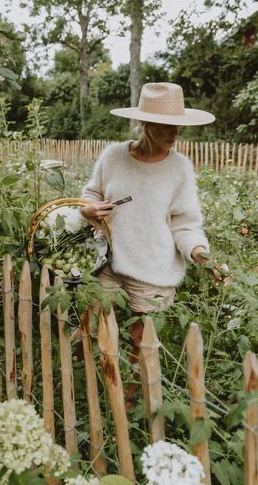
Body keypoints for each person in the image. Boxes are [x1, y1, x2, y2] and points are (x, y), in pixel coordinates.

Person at [80, 82, 228, 406]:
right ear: (144, 123)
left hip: (153, 271)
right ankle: (94, 393)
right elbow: (91, 194)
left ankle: (129, 411)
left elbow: (185, 223)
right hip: (108, 263)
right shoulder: (114, 156)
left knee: (140, 343)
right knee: (96, 330)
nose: (174, 132)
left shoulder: (180, 169)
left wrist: (203, 256)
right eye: (165, 125)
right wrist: (87, 209)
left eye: (178, 125)